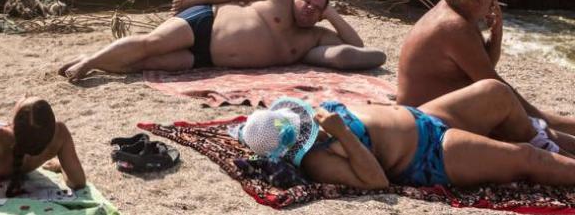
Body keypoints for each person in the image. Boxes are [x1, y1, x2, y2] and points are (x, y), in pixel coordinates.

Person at [243, 79, 575, 190]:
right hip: (430, 154)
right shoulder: (318, 161)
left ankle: (550, 145)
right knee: (524, 157)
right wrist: (342, 133)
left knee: (495, 92)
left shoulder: (316, 117)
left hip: (424, 117)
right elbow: (376, 182)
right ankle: (551, 157)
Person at [58, 0, 385, 82]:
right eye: (307, 1)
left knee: (143, 65)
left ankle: (93, 59)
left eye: (316, 8)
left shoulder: (314, 36)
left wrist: (333, 14)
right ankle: (88, 64)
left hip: (206, 60)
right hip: (205, 22)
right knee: (151, 43)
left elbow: (357, 46)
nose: (308, 8)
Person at [397, 0, 575, 137]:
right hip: (423, 122)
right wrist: (539, 117)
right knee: (539, 129)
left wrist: (496, 34)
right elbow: (492, 84)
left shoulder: (454, 13)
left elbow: (485, 68)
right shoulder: (455, 27)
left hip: (430, 111)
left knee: (538, 125)